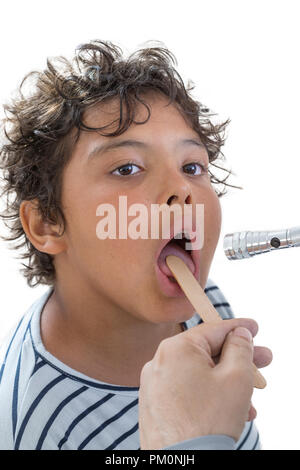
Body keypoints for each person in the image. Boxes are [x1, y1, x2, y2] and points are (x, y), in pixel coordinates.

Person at [0, 40, 272, 450]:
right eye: (127, 168)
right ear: (47, 222)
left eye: (192, 166)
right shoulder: (35, 429)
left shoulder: (202, 304)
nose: (182, 188)